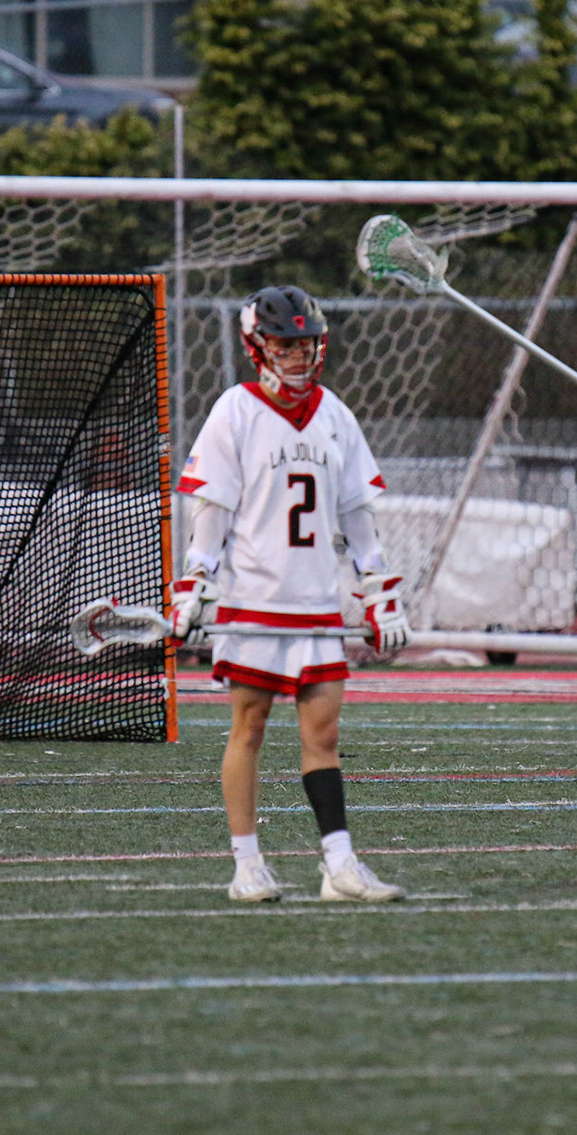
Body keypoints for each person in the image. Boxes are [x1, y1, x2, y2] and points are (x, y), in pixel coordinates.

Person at [172, 284, 411, 903]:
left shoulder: (334, 414)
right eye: (285, 344)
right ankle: (247, 865)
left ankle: (340, 866)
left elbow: (357, 516)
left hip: (316, 603)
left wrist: (378, 591)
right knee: (248, 727)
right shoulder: (236, 410)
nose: (299, 355)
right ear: (259, 347)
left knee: (323, 735)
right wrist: (196, 581)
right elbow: (212, 510)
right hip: (254, 600)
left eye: (305, 344)